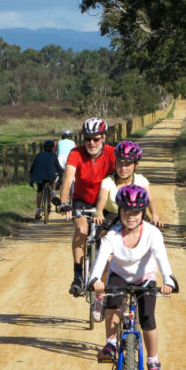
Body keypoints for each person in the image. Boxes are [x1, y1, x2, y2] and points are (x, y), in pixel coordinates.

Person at [88, 184, 178, 370]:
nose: (131, 216)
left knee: (148, 318)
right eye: (126, 211)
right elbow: (100, 261)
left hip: (144, 278)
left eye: (136, 212)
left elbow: (162, 260)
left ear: (143, 212)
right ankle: (111, 343)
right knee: (113, 305)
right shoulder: (112, 236)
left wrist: (168, 281)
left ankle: (153, 361)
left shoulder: (152, 233)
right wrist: (95, 280)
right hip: (119, 275)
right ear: (119, 211)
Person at [57, 117, 116, 295]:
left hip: (104, 202)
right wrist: (64, 203)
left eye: (96, 139)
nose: (91, 143)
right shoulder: (76, 153)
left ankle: (102, 284)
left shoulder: (112, 153)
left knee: (104, 240)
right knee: (81, 230)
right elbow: (68, 178)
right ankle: (78, 276)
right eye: (87, 139)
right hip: (81, 200)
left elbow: (121, 178)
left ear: (104, 137)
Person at [94, 140, 161, 231]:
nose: (123, 168)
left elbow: (150, 199)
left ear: (135, 165)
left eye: (127, 164)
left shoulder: (141, 180)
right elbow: (102, 198)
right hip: (112, 217)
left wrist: (155, 215)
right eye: (119, 163)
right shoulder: (108, 181)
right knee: (101, 237)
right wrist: (99, 212)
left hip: (136, 217)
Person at [28, 139, 63, 220]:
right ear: (52, 148)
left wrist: (31, 173)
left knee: (39, 191)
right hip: (50, 176)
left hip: (39, 177)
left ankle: (37, 211)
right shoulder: (54, 155)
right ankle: (53, 192)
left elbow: (33, 167)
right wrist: (61, 172)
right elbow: (58, 167)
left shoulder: (38, 155)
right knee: (54, 177)